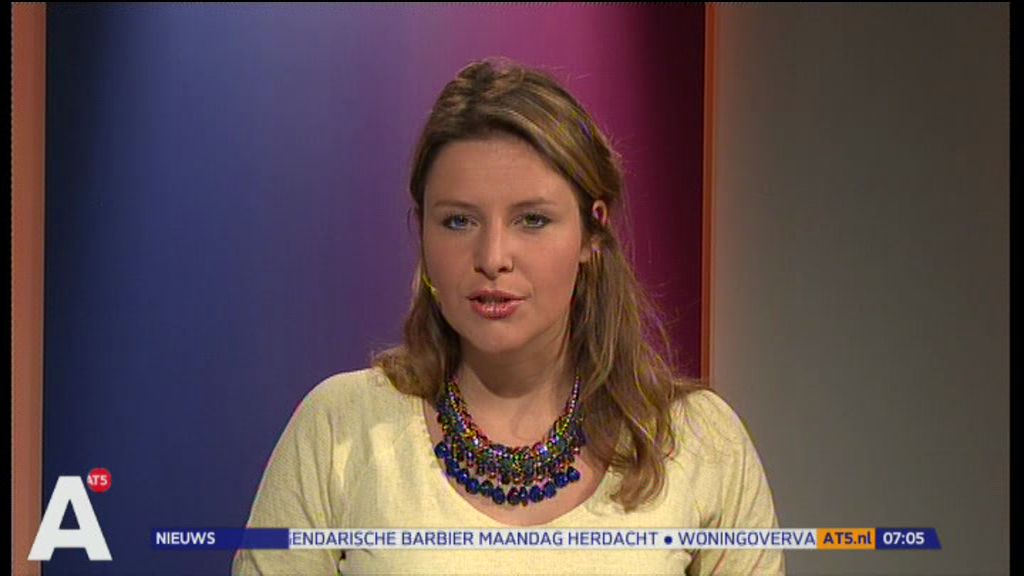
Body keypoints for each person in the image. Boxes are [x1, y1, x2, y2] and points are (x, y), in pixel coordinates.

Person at [232, 57, 784, 575]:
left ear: (592, 232)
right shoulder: (340, 427)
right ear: (422, 232)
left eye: (532, 220)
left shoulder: (699, 441)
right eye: (458, 222)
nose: (493, 257)